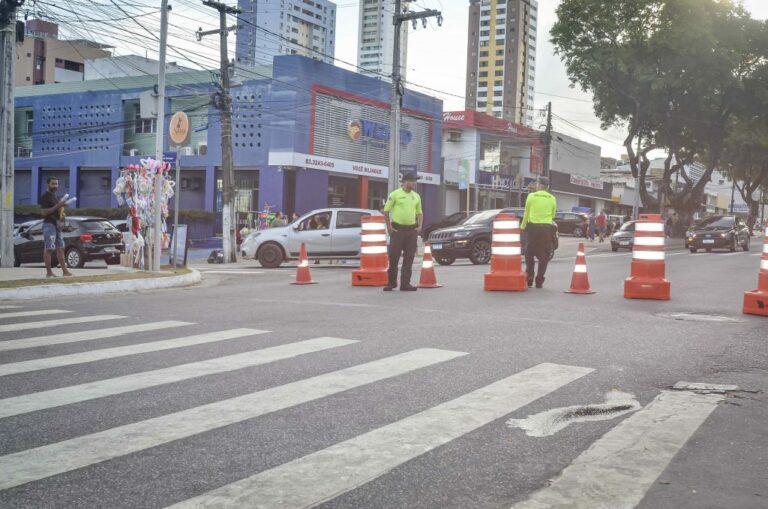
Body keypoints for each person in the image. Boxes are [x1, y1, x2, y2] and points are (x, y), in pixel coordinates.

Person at [383, 172, 422, 292]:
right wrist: (389, 227)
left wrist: (419, 226)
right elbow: (386, 211)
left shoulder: (416, 196)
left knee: (409, 258)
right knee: (394, 256)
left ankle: (405, 284)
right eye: (412, 181)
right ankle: (391, 283)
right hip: (397, 230)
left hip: (411, 230)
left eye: (415, 181)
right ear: (405, 182)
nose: (414, 183)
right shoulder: (395, 194)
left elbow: (419, 212)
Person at [521, 177, 557, 288]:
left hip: (532, 228)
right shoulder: (552, 198)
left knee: (529, 253)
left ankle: (530, 276)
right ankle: (539, 280)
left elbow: (526, 213)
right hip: (546, 228)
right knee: (544, 256)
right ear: (547, 187)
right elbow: (553, 215)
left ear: (539, 185)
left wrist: (522, 227)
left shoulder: (531, 196)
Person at [38, 177, 73, 278]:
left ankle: (65, 271)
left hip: (57, 225)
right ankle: (49, 273)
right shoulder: (45, 196)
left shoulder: (55, 196)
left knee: (61, 248)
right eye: (53, 184)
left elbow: (57, 209)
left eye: (57, 184)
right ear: (48, 184)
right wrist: (58, 206)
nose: (55, 186)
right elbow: (43, 212)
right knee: (49, 248)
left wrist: (62, 209)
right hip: (49, 225)